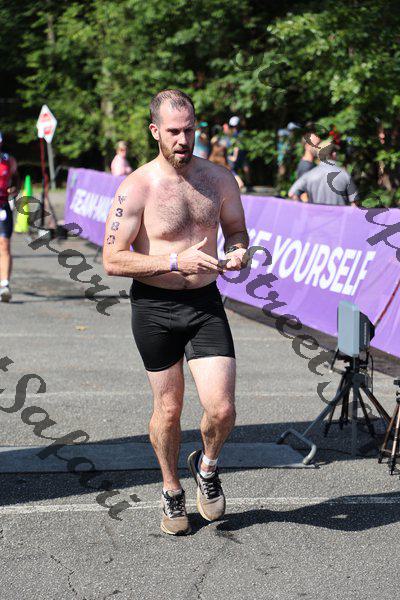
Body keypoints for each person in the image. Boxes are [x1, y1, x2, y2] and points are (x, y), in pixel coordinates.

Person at [103, 89, 249, 536]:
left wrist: (238, 252)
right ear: (155, 132)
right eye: (173, 132)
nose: (183, 140)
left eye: (189, 130)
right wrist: (172, 261)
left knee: (222, 409)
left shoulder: (220, 179)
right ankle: (171, 489)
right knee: (168, 410)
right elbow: (112, 259)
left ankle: (206, 467)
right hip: (155, 308)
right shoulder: (137, 187)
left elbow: (237, 231)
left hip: (205, 303)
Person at [288, 139, 358, 205]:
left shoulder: (309, 174)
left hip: (315, 214)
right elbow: (354, 203)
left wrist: (302, 207)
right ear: (334, 154)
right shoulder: (345, 175)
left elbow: (291, 193)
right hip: (339, 214)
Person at [0, 132, 19, 302]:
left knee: (4, 245)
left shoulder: (8, 160)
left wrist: (14, 189)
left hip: (3, 206)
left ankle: (4, 285)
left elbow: (16, 179)